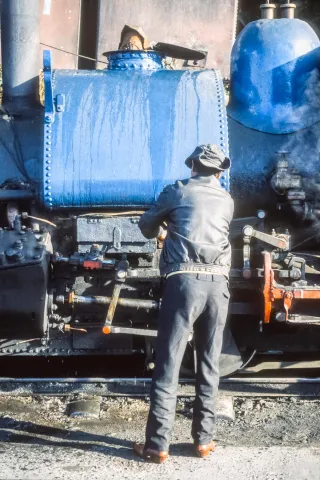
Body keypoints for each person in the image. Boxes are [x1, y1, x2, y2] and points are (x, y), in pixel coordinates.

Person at [133, 144, 234, 464]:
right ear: (219, 172)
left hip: (184, 283)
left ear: (192, 166)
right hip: (219, 285)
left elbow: (146, 226)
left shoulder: (177, 191)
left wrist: (165, 230)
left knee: (169, 363)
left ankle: (157, 446)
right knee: (209, 364)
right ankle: (203, 441)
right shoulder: (227, 200)